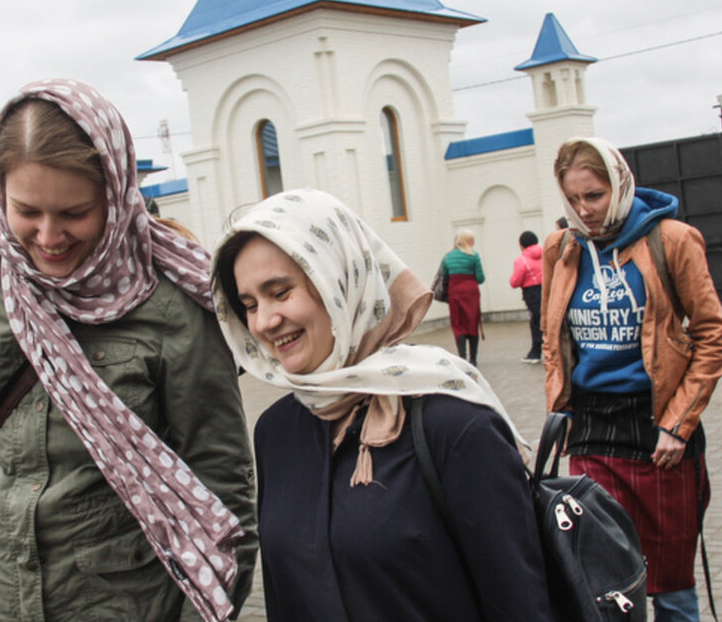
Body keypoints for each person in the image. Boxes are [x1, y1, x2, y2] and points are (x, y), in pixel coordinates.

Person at [0, 79, 257, 621]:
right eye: (26, 211)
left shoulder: (172, 301)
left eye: (75, 213)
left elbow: (221, 483)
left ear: (116, 195)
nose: (49, 236)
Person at [210, 188, 551, 621]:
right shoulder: (277, 431)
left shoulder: (454, 424)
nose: (264, 322)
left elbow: (519, 602)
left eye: (280, 292)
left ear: (338, 279)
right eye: (249, 305)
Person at [543, 136, 722, 621]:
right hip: (591, 431)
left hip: (658, 430)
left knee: (671, 584)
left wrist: (678, 424)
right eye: (574, 199)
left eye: (595, 195)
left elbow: (712, 335)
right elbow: (551, 336)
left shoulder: (673, 240)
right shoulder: (561, 247)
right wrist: (559, 409)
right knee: (601, 579)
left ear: (620, 184)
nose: (585, 210)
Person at [442, 229, 485, 364]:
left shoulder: (448, 257)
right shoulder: (474, 256)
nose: (473, 242)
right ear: (466, 241)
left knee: (458, 324)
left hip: (454, 293)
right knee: (472, 323)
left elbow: (444, 277)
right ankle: (473, 359)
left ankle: (462, 358)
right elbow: (480, 278)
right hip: (471, 293)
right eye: (471, 239)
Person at [509, 230, 544, 364]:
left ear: (522, 244)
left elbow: (515, 281)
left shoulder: (521, 260)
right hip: (547, 289)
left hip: (531, 293)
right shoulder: (546, 255)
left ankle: (535, 353)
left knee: (536, 321)